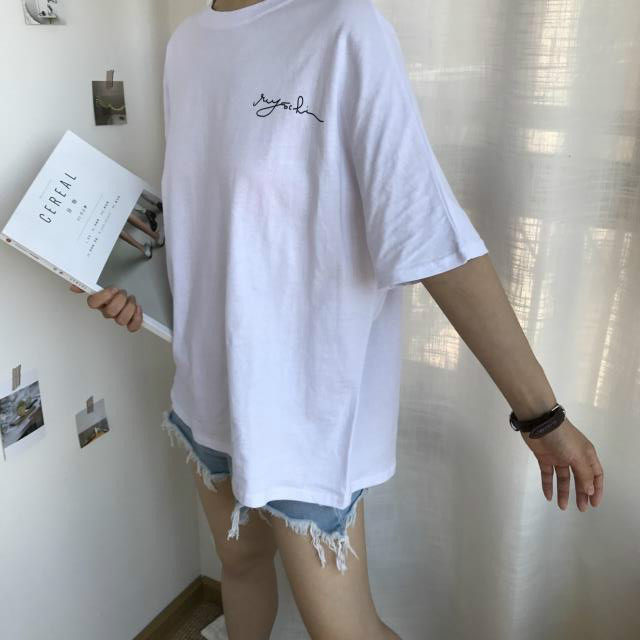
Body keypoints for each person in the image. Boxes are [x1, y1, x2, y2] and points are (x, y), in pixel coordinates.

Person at [70, 0, 605, 638]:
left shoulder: (344, 29)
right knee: (239, 565)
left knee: (344, 630)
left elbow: (426, 232)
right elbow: (215, 221)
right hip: (205, 391)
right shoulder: (185, 45)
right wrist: (136, 287)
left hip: (307, 410)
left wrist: (541, 415)